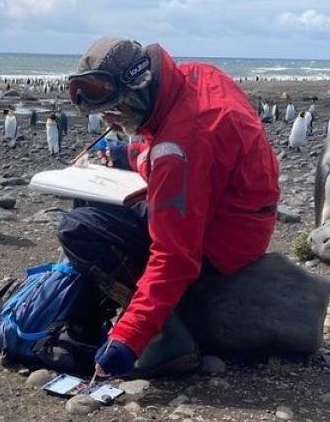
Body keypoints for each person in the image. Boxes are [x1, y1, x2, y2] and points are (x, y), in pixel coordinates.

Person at [63, 37, 280, 378]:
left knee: (80, 229)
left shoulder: (179, 150)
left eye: (116, 110)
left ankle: (169, 334)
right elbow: (188, 151)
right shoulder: (197, 75)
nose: (112, 121)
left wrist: (129, 339)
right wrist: (130, 155)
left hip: (223, 242)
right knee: (95, 210)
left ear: (137, 90)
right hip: (240, 217)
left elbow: (175, 256)